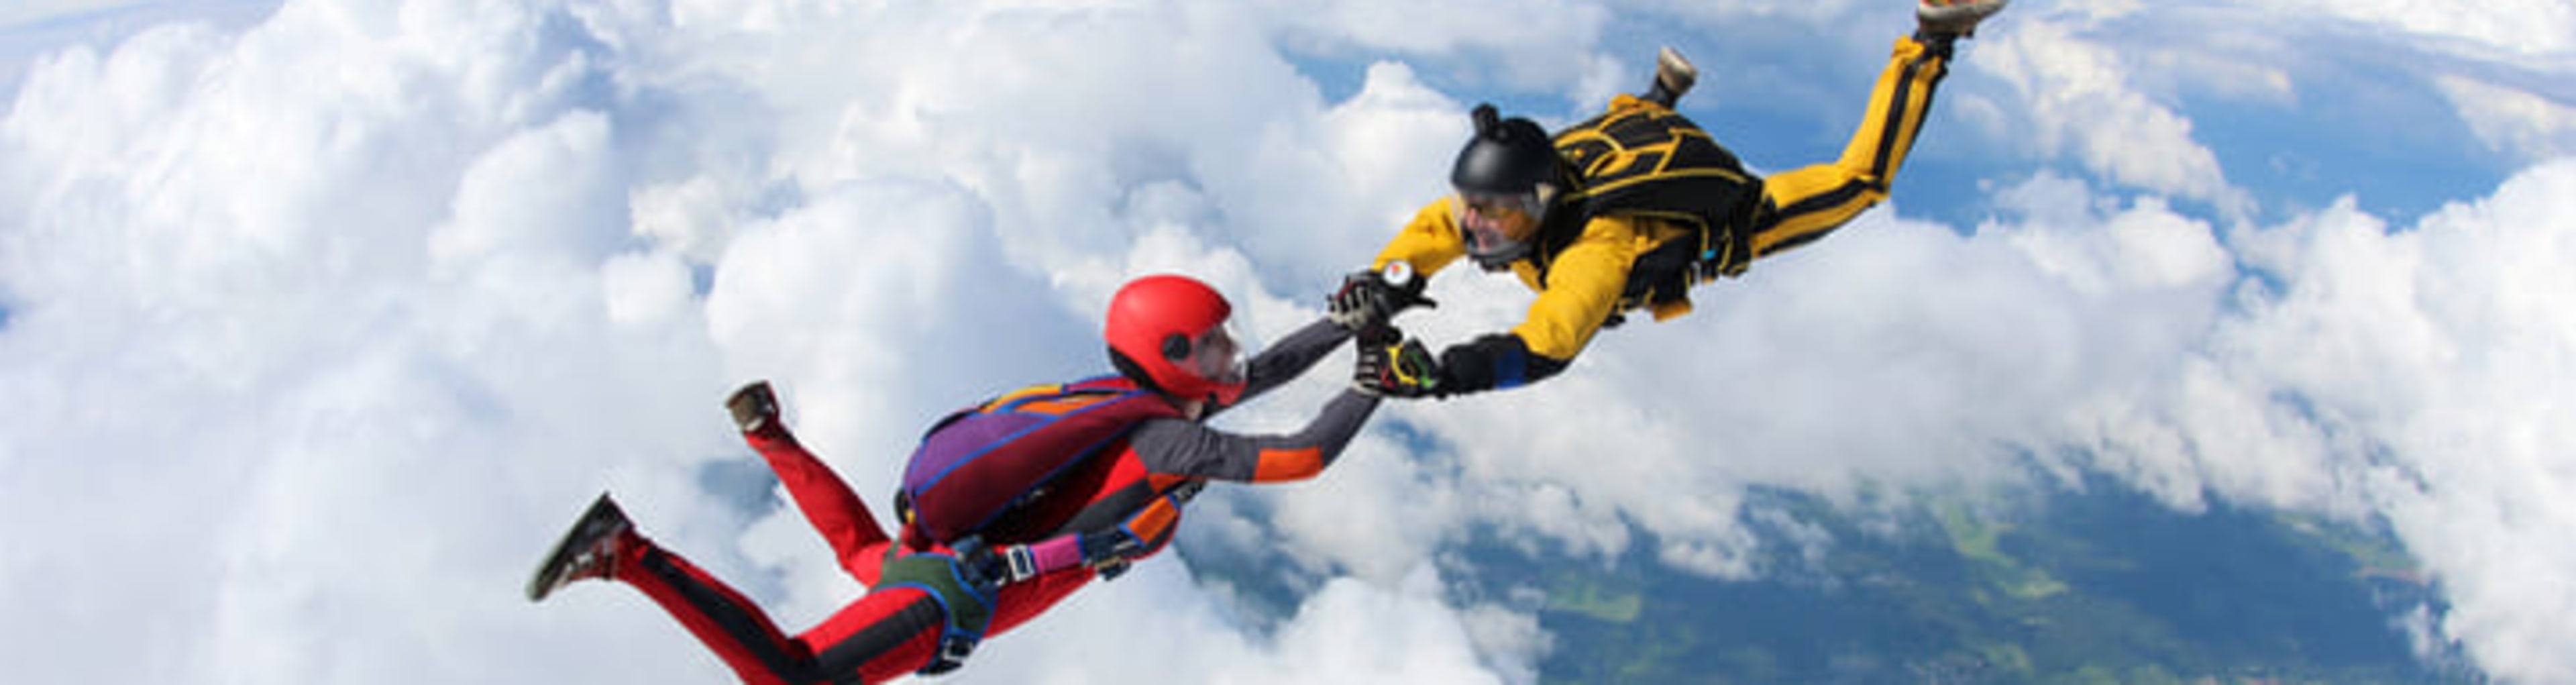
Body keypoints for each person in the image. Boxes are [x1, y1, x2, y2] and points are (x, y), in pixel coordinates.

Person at [527, 274, 1415, 683]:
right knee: (794, 681)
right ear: (1177, 358)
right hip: (956, 597)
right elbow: (1302, 454)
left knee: (865, 552)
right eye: (1217, 340)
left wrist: (1349, 323)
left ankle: (770, 437)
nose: (1235, 350)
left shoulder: (1149, 403)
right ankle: (626, 552)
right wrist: (1374, 379)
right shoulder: (1170, 442)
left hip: (944, 561)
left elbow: (1262, 373)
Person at [1332, 0, 2011, 399]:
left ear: (1538, 202)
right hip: (1634, 136)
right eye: (1474, 205)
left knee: (1858, 182)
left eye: (1495, 211)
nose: (1476, 226)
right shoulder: (1512, 193)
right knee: (1594, 140)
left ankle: (1931, 42)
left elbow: (1550, 341)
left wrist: (1444, 373)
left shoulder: (1596, 250)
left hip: (1738, 214)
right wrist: (1385, 277)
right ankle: (1658, 99)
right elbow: (1436, 228)